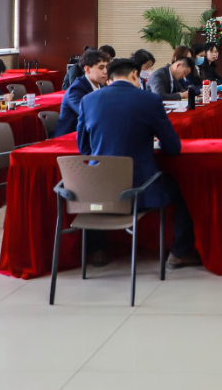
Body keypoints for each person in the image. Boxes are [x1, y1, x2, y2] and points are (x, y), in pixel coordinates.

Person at [77, 57, 200, 270]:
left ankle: (96, 251)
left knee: (99, 186)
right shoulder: (149, 100)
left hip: (99, 189)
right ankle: (179, 252)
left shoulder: (88, 100)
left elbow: (83, 148)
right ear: (135, 74)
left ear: (110, 77)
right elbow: (173, 147)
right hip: (139, 189)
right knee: (186, 191)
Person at [53, 49, 110, 136]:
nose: (106, 71)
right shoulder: (75, 90)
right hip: (69, 137)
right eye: (101, 67)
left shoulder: (101, 87)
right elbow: (89, 114)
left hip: (90, 133)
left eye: (107, 67)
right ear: (87, 69)